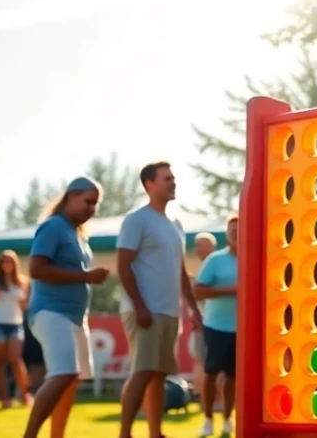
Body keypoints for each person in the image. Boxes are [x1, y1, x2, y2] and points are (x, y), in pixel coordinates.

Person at [116, 161, 201, 438]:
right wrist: (140, 306)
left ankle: (155, 433)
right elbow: (123, 265)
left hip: (168, 312)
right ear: (149, 184)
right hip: (144, 311)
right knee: (142, 371)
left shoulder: (176, 225)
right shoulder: (136, 219)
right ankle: (125, 433)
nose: (173, 182)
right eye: (167, 178)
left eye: (173, 178)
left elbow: (179, 270)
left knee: (158, 374)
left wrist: (193, 309)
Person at [22, 177, 111, 438]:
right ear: (71, 197)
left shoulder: (78, 235)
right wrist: (86, 276)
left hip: (75, 317)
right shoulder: (53, 227)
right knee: (64, 373)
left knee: (71, 379)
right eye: (87, 202)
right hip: (50, 312)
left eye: (96, 204)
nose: (92, 209)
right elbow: (36, 269)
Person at [194, 217, 239, 436]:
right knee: (210, 373)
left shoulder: (256, 255)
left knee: (233, 376)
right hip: (216, 326)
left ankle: (228, 418)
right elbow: (198, 290)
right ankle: (208, 420)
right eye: (232, 230)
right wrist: (229, 290)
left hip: (244, 330)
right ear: (227, 234)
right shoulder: (214, 260)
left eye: (241, 229)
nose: (236, 233)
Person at [0, 250, 32, 408]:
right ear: (0, 264)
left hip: (14, 324)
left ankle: (24, 394)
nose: (7, 264)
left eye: (10, 261)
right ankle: (4, 398)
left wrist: (25, 301)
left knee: (16, 358)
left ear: (15, 264)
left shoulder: (22, 282)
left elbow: (24, 306)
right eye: (4, 261)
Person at [191, 232, 216, 404]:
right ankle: (202, 397)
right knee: (201, 360)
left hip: (213, 324)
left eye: (200, 244)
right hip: (202, 323)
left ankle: (213, 401)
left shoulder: (215, 266)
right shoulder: (202, 269)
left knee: (212, 364)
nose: (196, 249)